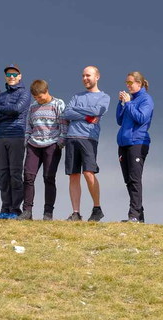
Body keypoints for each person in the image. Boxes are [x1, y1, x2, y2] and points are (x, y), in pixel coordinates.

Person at [61, 66, 110, 222]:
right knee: (73, 176)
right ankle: (76, 212)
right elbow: (67, 113)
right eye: (83, 76)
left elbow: (98, 111)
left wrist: (81, 112)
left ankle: (97, 208)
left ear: (97, 77)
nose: (85, 78)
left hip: (89, 138)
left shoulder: (104, 97)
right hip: (71, 137)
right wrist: (87, 115)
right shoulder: (77, 96)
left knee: (89, 172)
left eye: (88, 75)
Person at [19, 79, 67, 221]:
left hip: (52, 144)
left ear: (46, 91)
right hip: (34, 145)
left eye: (40, 97)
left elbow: (63, 124)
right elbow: (28, 124)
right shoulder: (33, 107)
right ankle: (27, 211)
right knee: (28, 176)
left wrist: (61, 141)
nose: (38, 100)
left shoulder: (58, 104)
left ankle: (48, 213)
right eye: (35, 98)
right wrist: (27, 139)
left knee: (48, 178)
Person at [0, 64, 32, 220]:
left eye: (14, 74)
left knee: (15, 173)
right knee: (3, 174)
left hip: (16, 136)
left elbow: (17, 110)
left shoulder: (25, 94)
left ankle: (15, 209)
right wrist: (8, 112)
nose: (11, 77)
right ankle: (5, 208)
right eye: (8, 74)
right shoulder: (1, 96)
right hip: (0, 137)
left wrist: (3, 110)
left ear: (20, 76)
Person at [116, 71, 154, 223]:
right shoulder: (130, 99)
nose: (128, 85)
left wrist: (129, 103)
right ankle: (139, 215)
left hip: (138, 143)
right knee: (128, 180)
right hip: (124, 143)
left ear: (139, 83)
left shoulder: (146, 99)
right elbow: (119, 120)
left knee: (135, 179)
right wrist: (121, 103)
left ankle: (134, 215)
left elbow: (141, 118)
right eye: (127, 83)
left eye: (130, 83)